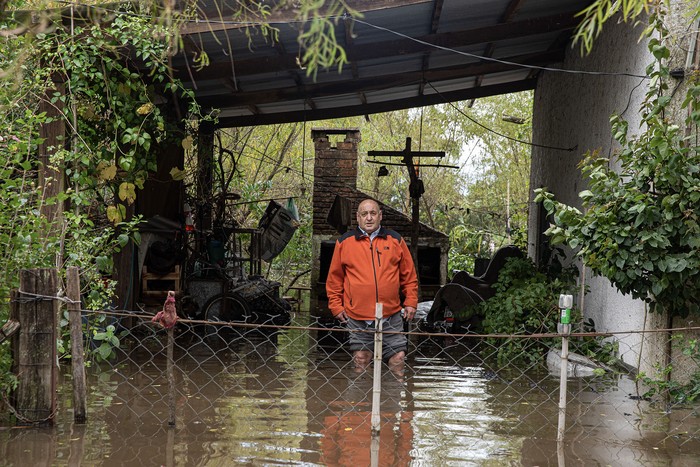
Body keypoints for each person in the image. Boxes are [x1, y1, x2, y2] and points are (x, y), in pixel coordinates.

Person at [326, 199, 418, 371]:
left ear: (380, 216)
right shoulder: (344, 242)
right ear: (358, 217)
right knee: (361, 359)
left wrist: (411, 302)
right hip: (358, 315)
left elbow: (409, 275)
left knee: (398, 359)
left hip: (391, 314)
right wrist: (336, 306)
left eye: (373, 213)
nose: (369, 218)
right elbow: (334, 279)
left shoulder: (396, 240)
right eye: (364, 214)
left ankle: (392, 396)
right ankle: (362, 397)